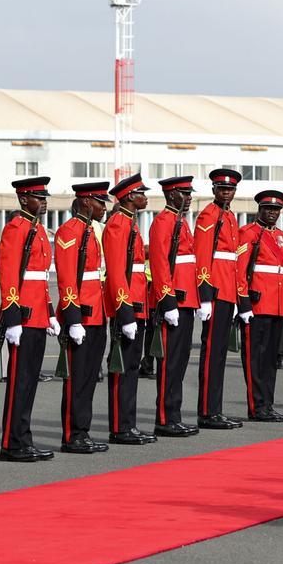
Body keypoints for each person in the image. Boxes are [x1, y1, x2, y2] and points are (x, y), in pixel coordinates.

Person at [0, 177, 58, 461]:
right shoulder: (16, 229)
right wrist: (12, 317)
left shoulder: (38, 229)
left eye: (44, 197)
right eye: (38, 197)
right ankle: (12, 443)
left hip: (38, 315)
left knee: (30, 381)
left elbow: (41, 279)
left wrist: (51, 312)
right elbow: (9, 273)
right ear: (23, 200)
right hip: (22, 315)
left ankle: (24, 438)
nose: (44, 201)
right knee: (19, 382)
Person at [55, 181, 111, 453]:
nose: (104, 208)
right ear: (87, 202)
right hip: (81, 315)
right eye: (101, 203)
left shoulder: (89, 230)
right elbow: (67, 276)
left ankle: (83, 431)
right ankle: (72, 434)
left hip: (97, 313)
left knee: (89, 377)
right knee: (76, 379)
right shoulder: (70, 231)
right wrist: (73, 317)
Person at [237, 189, 283, 422]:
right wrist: (243, 304)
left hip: (278, 307)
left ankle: (267, 405)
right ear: (259, 210)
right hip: (257, 306)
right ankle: (256, 407)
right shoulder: (248, 233)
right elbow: (240, 271)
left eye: (276, 210)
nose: (272, 213)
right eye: (268, 209)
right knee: (255, 360)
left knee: (271, 360)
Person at [104, 173, 155, 445]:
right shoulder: (117, 225)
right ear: (128, 197)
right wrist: (124, 312)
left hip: (138, 302)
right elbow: (115, 271)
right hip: (127, 306)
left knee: (133, 366)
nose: (145, 197)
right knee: (122, 367)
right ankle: (119, 426)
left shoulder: (130, 223)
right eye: (141, 193)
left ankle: (129, 424)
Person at [148, 176, 200, 437]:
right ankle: (165, 418)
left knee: (180, 362)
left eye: (189, 193)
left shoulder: (180, 221)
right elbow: (159, 264)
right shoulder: (162, 222)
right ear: (171, 195)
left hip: (187, 300)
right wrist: (167, 300)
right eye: (184, 193)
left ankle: (174, 415)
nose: (188, 197)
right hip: (174, 302)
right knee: (169, 364)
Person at [194, 168, 243, 429]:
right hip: (214, 291)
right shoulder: (209, 215)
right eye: (222, 189)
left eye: (230, 190)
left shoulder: (230, 216)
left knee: (221, 354)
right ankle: (207, 411)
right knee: (212, 353)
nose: (226, 193)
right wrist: (204, 294)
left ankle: (215, 409)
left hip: (227, 291)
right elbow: (202, 254)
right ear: (214, 190)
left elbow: (233, 260)